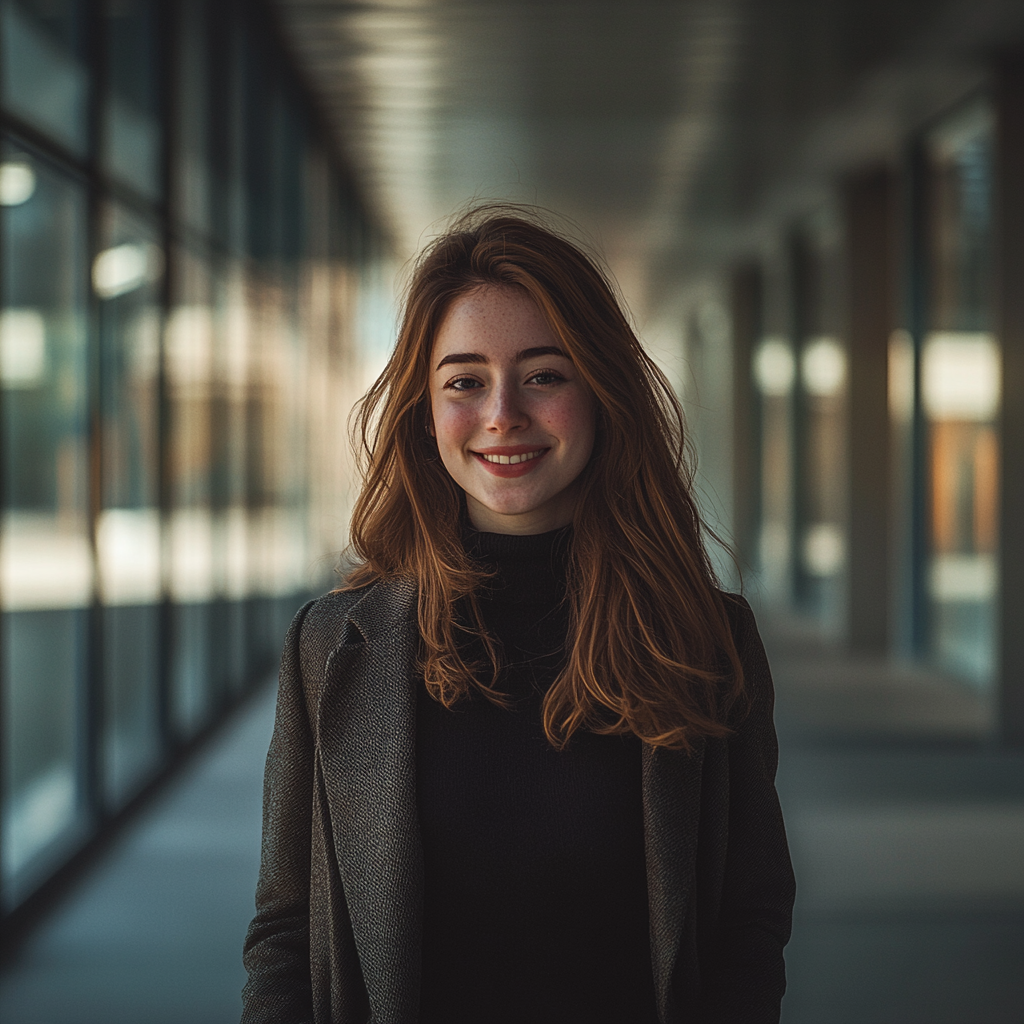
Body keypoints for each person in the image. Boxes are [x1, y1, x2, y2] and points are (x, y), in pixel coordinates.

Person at [241, 206, 795, 1024]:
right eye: (465, 380)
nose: (503, 413)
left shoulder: (706, 641)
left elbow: (748, 917)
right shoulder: (332, 646)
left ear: (600, 391)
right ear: (425, 414)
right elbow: (288, 929)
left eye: (544, 374)